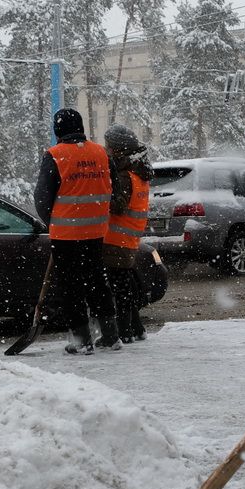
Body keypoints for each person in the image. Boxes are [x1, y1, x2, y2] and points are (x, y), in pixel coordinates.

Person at [32, 108, 122, 354]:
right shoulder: (101, 153)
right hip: (95, 231)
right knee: (97, 281)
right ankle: (110, 334)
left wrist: (54, 221)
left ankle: (81, 340)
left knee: (71, 286)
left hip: (66, 236)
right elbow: (113, 188)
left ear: (57, 129)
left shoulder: (55, 155)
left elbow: (42, 198)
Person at [101, 125, 154, 343]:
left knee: (119, 288)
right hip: (129, 237)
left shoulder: (124, 174)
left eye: (108, 146)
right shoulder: (138, 171)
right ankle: (136, 329)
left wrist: (101, 198)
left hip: (115, 239)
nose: (106, 150)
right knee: (126, 285)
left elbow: (119, 206)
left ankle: (124, 332)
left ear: (118, 149)